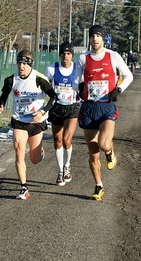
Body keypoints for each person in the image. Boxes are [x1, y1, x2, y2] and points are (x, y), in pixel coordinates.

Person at [73, 25, 133, 201]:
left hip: (106, 105)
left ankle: (110, 151)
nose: (95, 39)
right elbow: (76, 81)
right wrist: (80, 86)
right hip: (89, 107)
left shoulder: (113, 56)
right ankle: (99, 186)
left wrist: (119, 89)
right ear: (89, 39)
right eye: (92, 36)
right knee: (93, 152)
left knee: (104, 144)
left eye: (98, 36)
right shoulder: (83, 58)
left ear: (103, 39)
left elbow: (128, 75)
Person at [0, 50, 57, 200]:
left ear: (30, 65)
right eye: (19, 63)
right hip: (19, 120)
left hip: (36, 121)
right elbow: (4, 94)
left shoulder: (39, 78)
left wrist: (42, 112)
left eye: (24, 64)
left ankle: (39, 151)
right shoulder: (11, 79)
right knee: (18, 152)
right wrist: (1, 106)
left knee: (34, 160)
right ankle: (24, 187)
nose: (21, 66)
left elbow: (54, 97)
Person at [44, 42, 80, 186]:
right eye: (63, 54)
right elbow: (45, 88)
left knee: (66, 139)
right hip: (56, 108)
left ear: (72, 55)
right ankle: (60, 171)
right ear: (60, 55)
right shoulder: (51, 69)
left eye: (69, 54)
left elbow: (82, 86)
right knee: (57, 141)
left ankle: (67, 165)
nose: (66, 56)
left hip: (72, 108)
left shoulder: (77, 69)